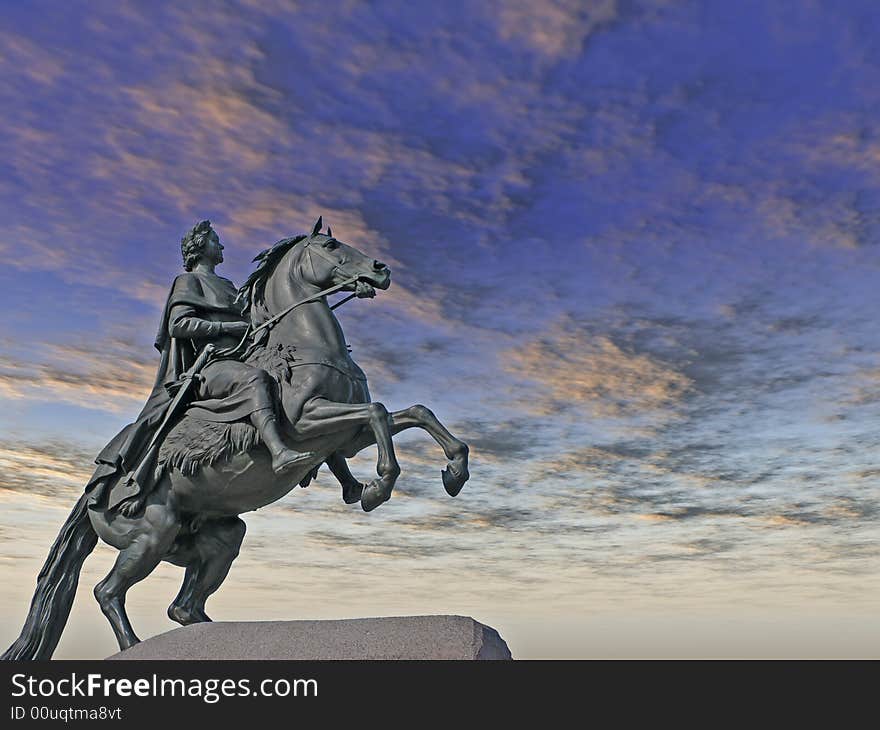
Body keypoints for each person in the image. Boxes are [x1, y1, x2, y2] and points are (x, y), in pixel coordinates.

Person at [85, 220, 313, 516]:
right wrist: (226, 325)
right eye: (216, 240)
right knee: (255, 380)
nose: (221, 246)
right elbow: (178, 325)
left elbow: (252, 325)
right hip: (210, 366)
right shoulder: (188, 281)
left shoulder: (229, 286)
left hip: (240, 356)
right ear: (199, 247)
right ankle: (279, 451)